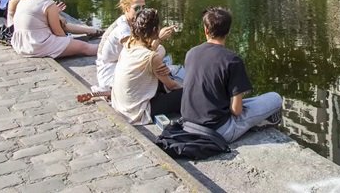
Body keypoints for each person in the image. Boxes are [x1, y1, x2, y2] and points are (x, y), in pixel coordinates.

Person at [181, 7, 282, 144]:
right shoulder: (232, 60)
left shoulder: (191, 53)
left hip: (189, 124)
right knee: (275, 98)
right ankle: (261, 123)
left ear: (206, 30)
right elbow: (236, 111)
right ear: (228, 31)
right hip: (217, 131)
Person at [111, 8, 183, 124]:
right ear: (155, 30)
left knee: (162, 80)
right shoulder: (151, 57)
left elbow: (148, 53)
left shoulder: (129, 44)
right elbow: (172, 86)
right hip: (138, 110)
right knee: (184, 95)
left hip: (121, 104)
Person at [11, 0, 97, 58]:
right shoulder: (47, 3)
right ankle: (108, 51)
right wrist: (68, 42)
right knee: (85, 47)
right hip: (37, 45)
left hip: (21, 44)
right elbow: (58, 32)